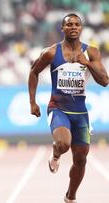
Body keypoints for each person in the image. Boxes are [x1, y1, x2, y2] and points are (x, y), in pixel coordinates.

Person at [28, 13, 108, 203]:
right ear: (62, 29)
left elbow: (104, 81)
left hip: (80, 112)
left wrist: (87, 63)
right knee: (64, 144)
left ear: (81, 28)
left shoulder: (92, 52)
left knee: (81, 160)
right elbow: (34, 72)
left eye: (77, 24)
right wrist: (32, 101)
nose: (73, 27)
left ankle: (70, 197)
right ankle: (55, 154)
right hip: (58, 108)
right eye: (69, 24)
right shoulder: (51, 52)